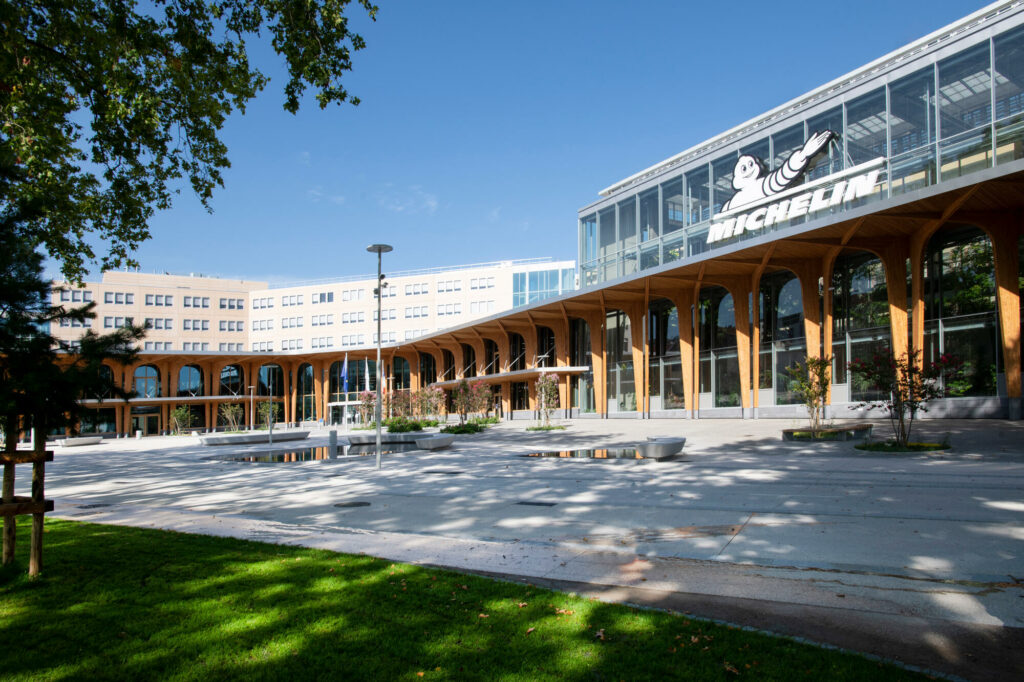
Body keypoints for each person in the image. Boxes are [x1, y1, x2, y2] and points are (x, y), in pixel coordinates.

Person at [722, 130, 835, 212]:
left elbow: (781, 176)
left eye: (751, 164)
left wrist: (803, 155)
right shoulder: (733, 202)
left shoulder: (761, 185)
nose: (749, 169)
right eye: (743, 168)